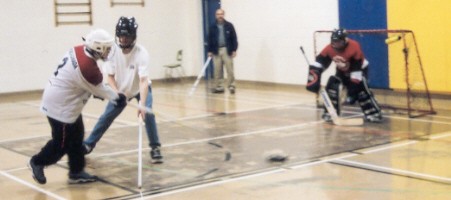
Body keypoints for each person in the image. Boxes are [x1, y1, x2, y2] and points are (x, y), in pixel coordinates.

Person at [29, 29, 126, 184]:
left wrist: (99, 92)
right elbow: (100, 89)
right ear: (98, 47)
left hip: (64, 101)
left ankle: (76, 172)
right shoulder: (89, 68)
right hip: (60, 107)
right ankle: (37, 162)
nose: (109, 51)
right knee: (61, 144)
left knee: (77, 135)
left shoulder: (79, 49)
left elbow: (85, 85)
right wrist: (117, 97)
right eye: (106, 48)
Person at [83, 16, 163, 164]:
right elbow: (110, 77)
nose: (123, 39)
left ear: (133, 36)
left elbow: (144, 81)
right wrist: (117, 93)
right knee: (107, 116)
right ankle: (88, 144)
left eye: (126, 36)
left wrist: (143, 105)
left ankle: (155, 148)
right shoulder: (111, 51)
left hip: (140, 89)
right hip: (120, 90)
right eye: (121, 36)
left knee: (149, 115)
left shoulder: (141, 53)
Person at [306, 28, 382, 123]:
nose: (336, 44)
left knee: (361, 90)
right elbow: (319, 63)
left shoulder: (354, 46)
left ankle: (373, 113)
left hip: (359, 69)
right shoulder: (329, 49)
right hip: (341, 71)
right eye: (334, 42)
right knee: (333, 86)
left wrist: (352, 91)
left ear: (345, 40)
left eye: (339, 42)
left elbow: (356, 70)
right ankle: (330, 113)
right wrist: (314, 78)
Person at [207, 8, 238, 94]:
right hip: (216, 50)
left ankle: (231, 86)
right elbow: (209, 39)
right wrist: (209, 51)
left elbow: (234, 38)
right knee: (217, 70)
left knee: (230, 69)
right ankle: (219, 87)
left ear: (223, 15)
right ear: (215, 16)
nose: (220, 16)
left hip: (227, 50)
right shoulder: (212, 27)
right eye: (218, 14)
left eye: (221, 14)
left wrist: (234, 49)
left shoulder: (229, 26)